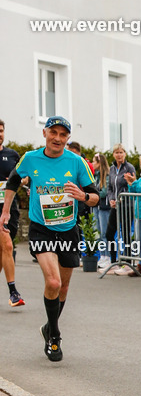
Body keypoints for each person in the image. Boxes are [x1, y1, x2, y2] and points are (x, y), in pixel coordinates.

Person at [0, 116, 99, 360]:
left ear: (67, 138)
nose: (57, 138)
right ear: (45, 133)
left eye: (63, 135)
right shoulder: (30, 158)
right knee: (53, 282)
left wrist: (82, 196)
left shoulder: (76, 162)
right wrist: (5, 211)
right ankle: (54, 334)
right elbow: (13, 180)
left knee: (63, 286)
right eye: (53, 132)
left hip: (67, 230)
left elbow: (96, 196)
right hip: (41, 229)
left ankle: (48, 326)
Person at [0, 119, 25, 307]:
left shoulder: (12, 155)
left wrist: (19, 181)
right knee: (7, 246)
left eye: (1, 131)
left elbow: (25, 177)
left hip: (10, 208)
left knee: (3, 251)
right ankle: (13, 292)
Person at [101, 144, 136, 270]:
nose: (119, 155)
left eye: (121, 152)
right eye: (116, 152)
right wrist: (111, 199)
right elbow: (110, 187)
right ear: (113, 154)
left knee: (126, 234)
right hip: (115, 206)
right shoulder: (111, 169)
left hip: (126, 205)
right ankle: (113, 260)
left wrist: (130, 181)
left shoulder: (129, 167)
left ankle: (128, 261)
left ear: (125, 154)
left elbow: (133, 184)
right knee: (109, 233)